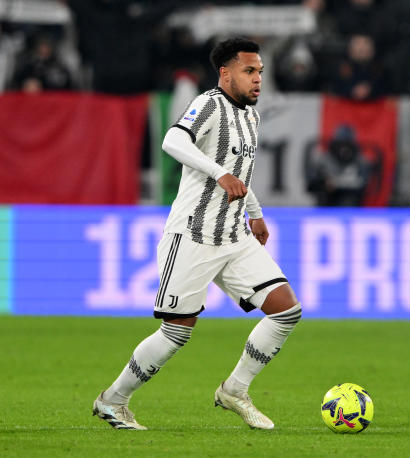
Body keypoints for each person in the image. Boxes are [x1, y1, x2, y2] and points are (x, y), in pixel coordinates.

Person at [92, 37, 301, 430]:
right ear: (225, 73)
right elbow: (172, 139)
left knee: (286, 309)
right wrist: (218, 173)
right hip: (192, 235)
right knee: (176, 331)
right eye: (249, 71)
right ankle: (113, 401)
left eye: (260, 72)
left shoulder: (251, 118)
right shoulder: (208, 104)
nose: (258, 80)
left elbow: (239, 175)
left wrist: (254, 212)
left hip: (233, 235)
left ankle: (235, 390)